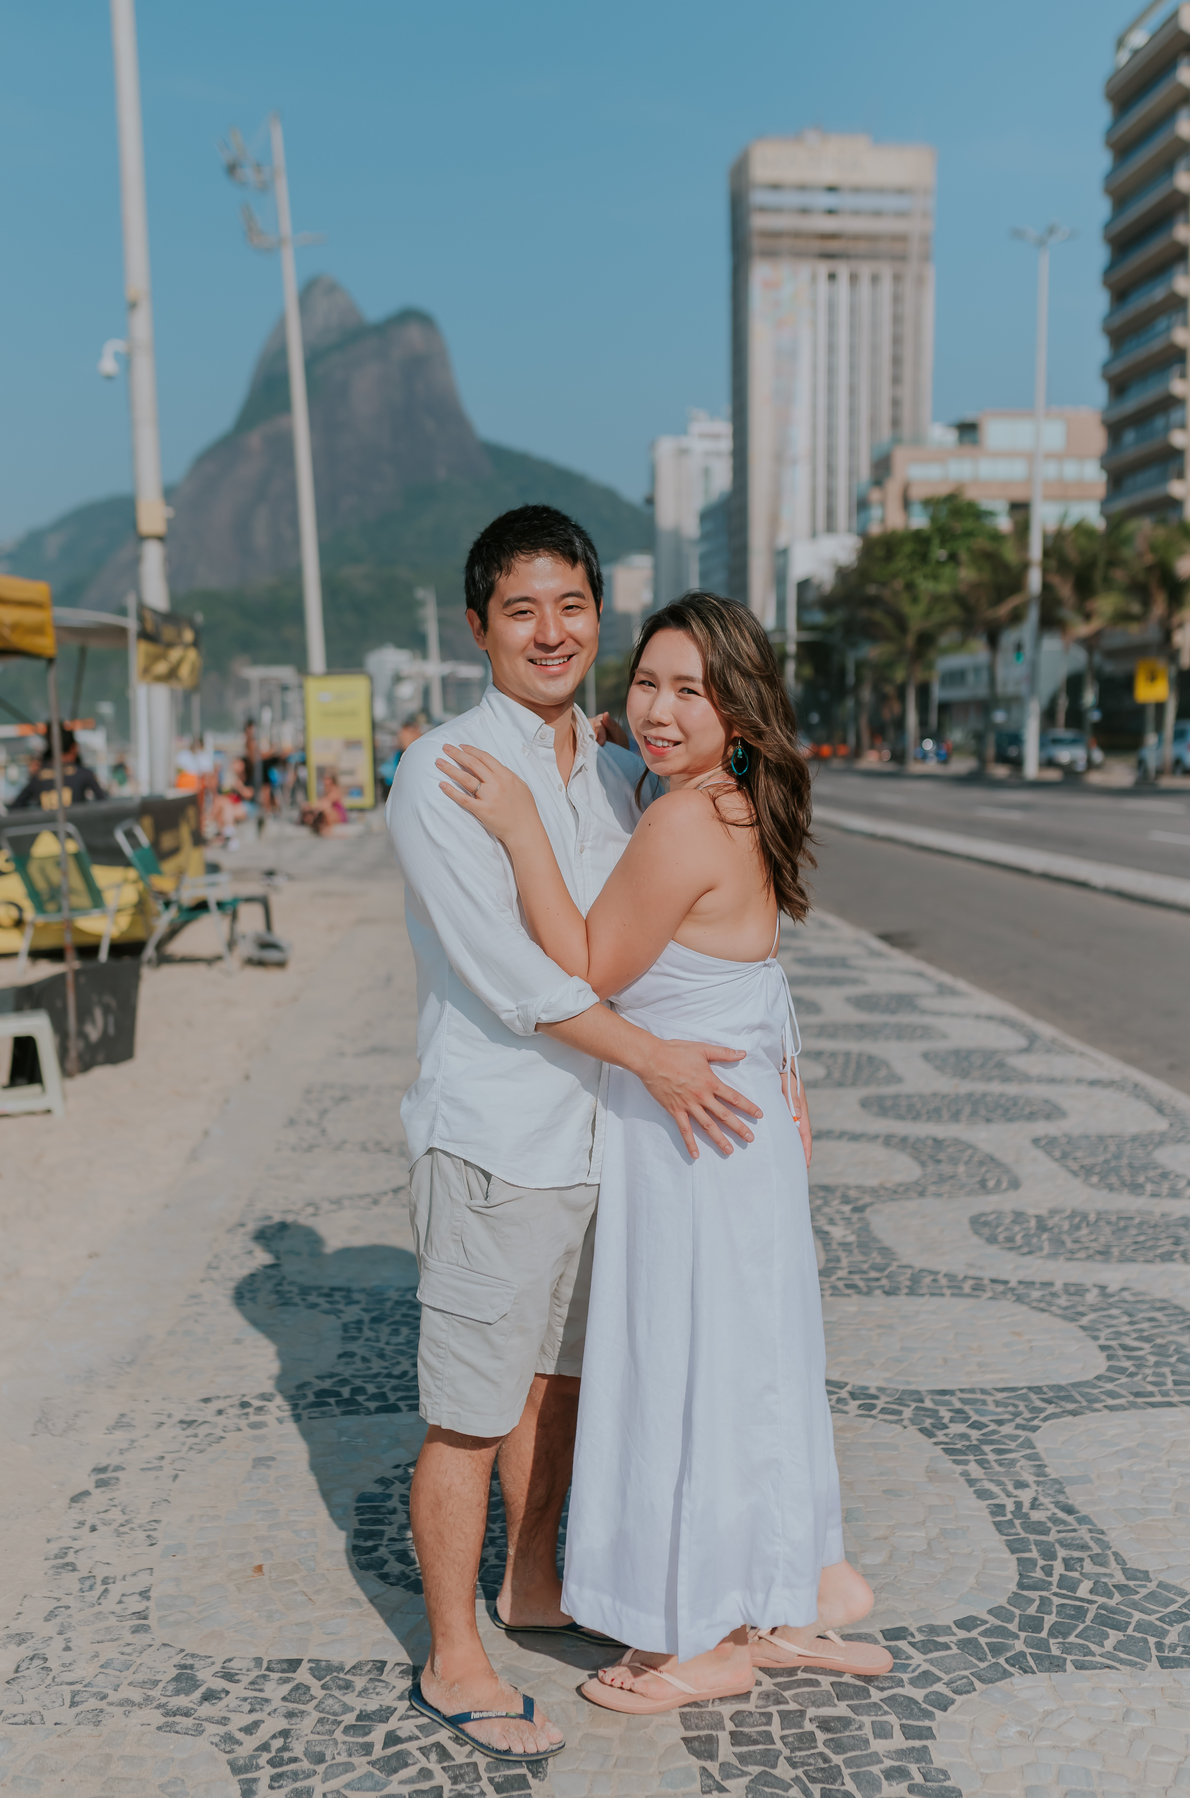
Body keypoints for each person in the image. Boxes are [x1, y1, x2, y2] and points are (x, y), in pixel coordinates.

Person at [438, 591, 891, 1718]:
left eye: (692, 689)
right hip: (732, 1134)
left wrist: (524, 828)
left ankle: (707, 1636)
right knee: (749, 1367)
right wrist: (609, 757)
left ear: (739, 708)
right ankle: (776, 1597)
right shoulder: (729, 802)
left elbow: (586, 959)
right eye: (647, 682)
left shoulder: (688, 818)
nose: (659, 708)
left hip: (695, 1139)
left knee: (688, 1371)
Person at [388, 509, 763, 1762]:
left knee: (565, 1383)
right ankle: (453, 1655)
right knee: (470, 1407)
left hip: (612, 1142)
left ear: (598, 612)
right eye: (520, 610)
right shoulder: (444, 768)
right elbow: (516, 978)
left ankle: (535, 1584)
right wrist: (657, 1057)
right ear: (478, 626)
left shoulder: (615, 765)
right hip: (499, 1135)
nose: (552, 632)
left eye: (572, 606)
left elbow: (688, 918)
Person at [12, 726, 107, 809]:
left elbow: (16, 807)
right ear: (74, 748)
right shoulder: (84, 774)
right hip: (75, 827)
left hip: (46, 828)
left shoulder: (38, 776)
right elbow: (104, 803)